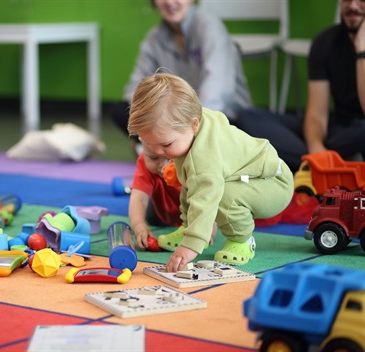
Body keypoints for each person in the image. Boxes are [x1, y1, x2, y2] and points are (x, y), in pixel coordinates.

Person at [127, 73, 294, 272]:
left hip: (272, 183)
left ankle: (242, 240)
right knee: (191, 183)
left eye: (166, 144)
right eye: (150, 145)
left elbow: (206, 199)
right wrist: (192, 229)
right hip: (252, 175)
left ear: (193, 125)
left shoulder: (204, 157)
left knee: (222, 195)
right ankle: (189, 228)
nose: (158, 152)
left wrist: (191, 245)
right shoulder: (189, 123)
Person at [237, 0, 365, 173]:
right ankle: (322, 163)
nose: (353, 6)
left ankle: (311, 163)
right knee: (249, 118)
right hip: (337, 129)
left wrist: (361, 51)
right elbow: (317, 114)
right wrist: (316, 149)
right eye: (347, 0)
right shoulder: (325, 43)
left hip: (359, 131)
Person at [111, 0, 252, 155]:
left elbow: (216, 93)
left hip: (222, 116)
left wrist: (186, 124)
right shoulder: (153, 39)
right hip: (173, 118)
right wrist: (156, 111)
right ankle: (159, 148)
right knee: (121, 110)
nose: (170, 2)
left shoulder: (209, 27)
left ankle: (161, 149)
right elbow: (135, 87)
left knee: (247, 125)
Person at [129, 143, 182, 250]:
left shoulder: (191, 161)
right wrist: (138, 225)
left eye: (170, 158)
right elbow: (138, 198)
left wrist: (205, 225)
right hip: (160, 213)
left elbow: (207, 194)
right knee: (151, 217)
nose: (163, 166)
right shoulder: (144, 162)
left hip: (191, 211)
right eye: (154, 158)